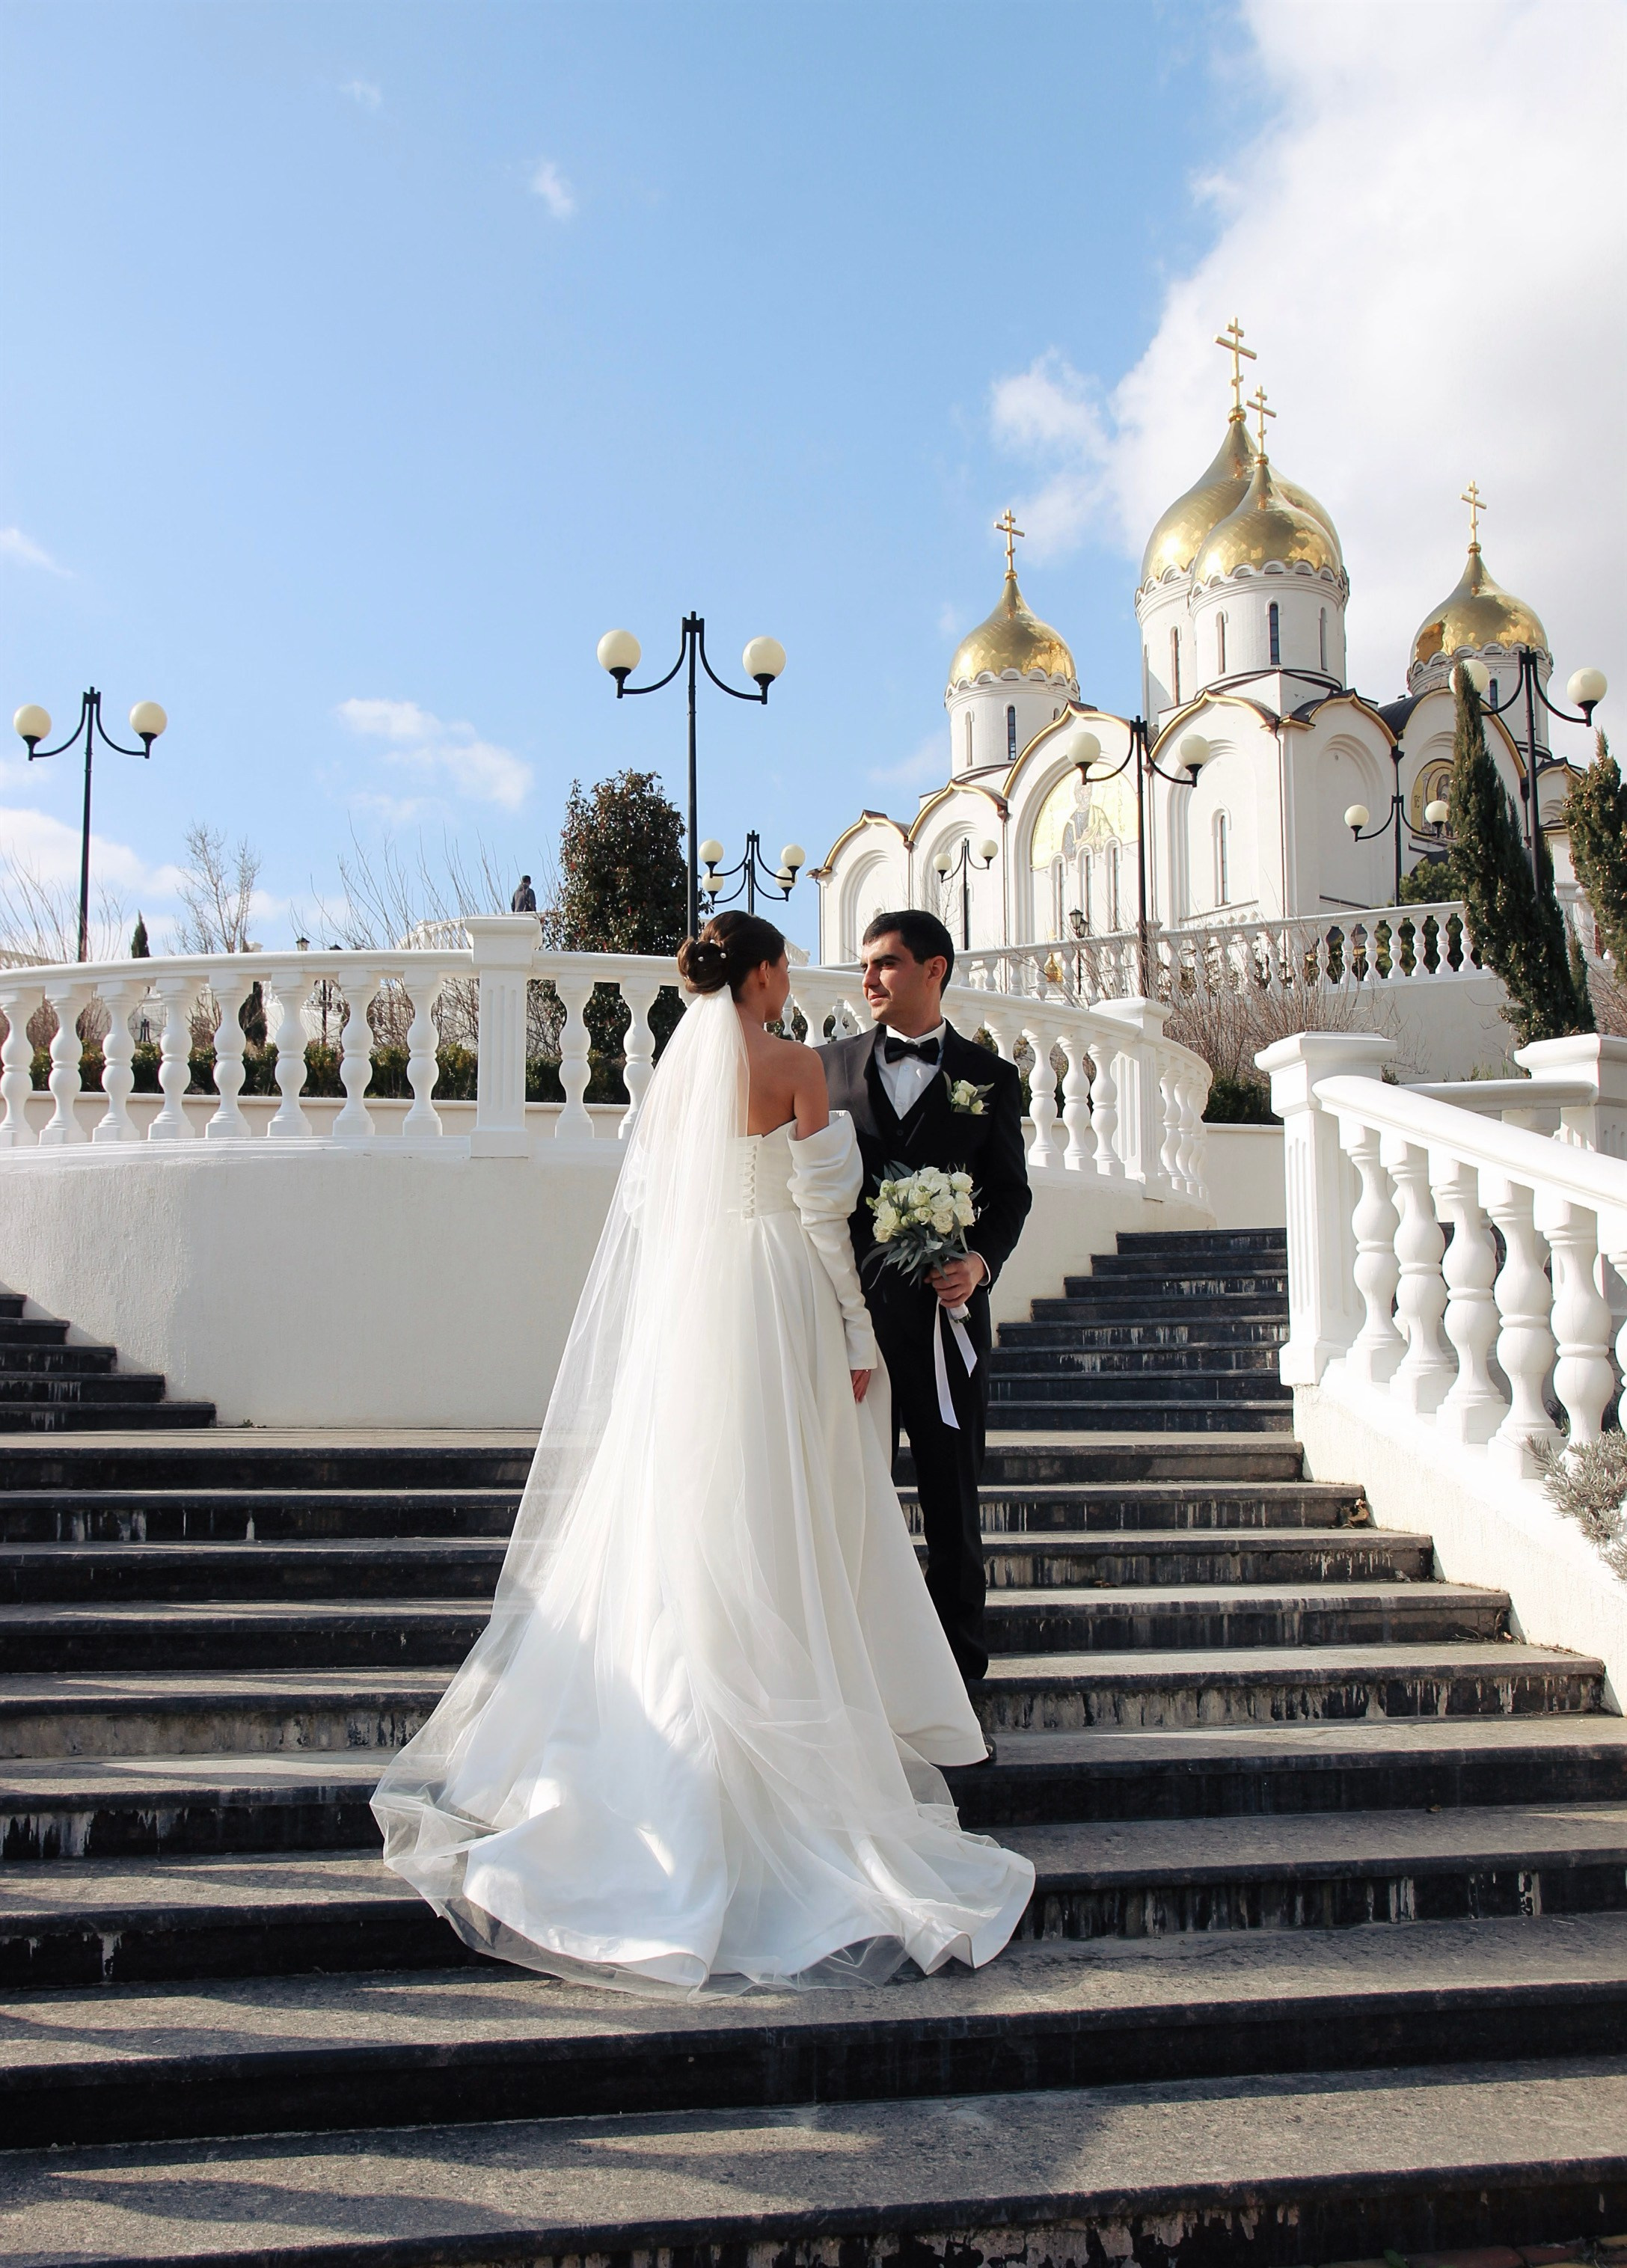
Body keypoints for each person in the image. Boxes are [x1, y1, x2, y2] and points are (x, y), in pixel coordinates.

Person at [373, 908, 1033, 1999]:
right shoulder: (795, 1067)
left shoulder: (679, 1078)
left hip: (693, 1314)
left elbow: (654, 1209)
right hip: (778, 1304)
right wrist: (859, 1336)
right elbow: (826, 1225)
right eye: (789, 967)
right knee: (785, 1516)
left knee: (687, 1513)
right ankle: (797, 1734)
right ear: (767, 973)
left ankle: (663, 1743)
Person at [818, 910, 1032, 1687]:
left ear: (935, 969)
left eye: (886, 963)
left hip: (950, 1326)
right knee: (846, 1503)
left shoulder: (990, 1077)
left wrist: (979, 1262)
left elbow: (1010, 1193)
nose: (868, 979)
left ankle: (958, 1691)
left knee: (953, 1510)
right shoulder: (826, 1066)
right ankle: (852, 1687)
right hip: (850, 1327)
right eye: (865, 965)